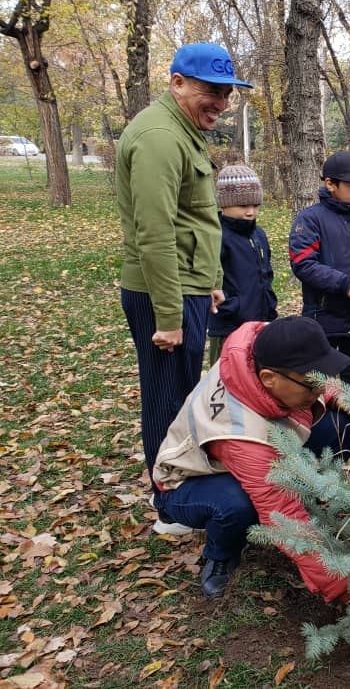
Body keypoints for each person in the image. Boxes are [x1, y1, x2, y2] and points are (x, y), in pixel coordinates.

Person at [152, 316, 350, 631]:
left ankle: (307, 487)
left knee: (339, 427)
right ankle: (221, 554)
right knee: (238, 505)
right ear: (269, 378)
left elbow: (313, 376)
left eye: (322, 379)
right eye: (311, 384)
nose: (319, 388)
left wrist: (342, 398)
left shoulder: (259, 348)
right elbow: (283, 515)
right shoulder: (240, 435)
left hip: (251, 454)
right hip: (185, 483)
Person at [116, 42, 252, 531]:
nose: (220, 101)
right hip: (162, 294)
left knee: (181, 391)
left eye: (226, 92)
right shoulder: (158, 138)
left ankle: (181, 479)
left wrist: (210, 281)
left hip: (186, 286)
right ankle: (167, 502)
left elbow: (193, 218)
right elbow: (155, 233)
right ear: (177, 83)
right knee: (165, 395)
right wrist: (169, 316)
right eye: (210, 91)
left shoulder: (183, 131)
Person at [289, 151, 350, 392]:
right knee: (315, 384)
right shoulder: (310, 219)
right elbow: (303, 263)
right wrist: (345, 285)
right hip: (322, 318)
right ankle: (319, 427)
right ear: (330, 184)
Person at [207, 165, 278, 366]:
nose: (250, 212)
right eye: (243, 206)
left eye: (255, 205)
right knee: (225, 378)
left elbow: (266, 274)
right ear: (225, 204)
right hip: (228, 327)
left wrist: (270, 305)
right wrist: (232, 306)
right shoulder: (217, 236)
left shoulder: (259, 235)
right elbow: (211, 278)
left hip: (260, 323)